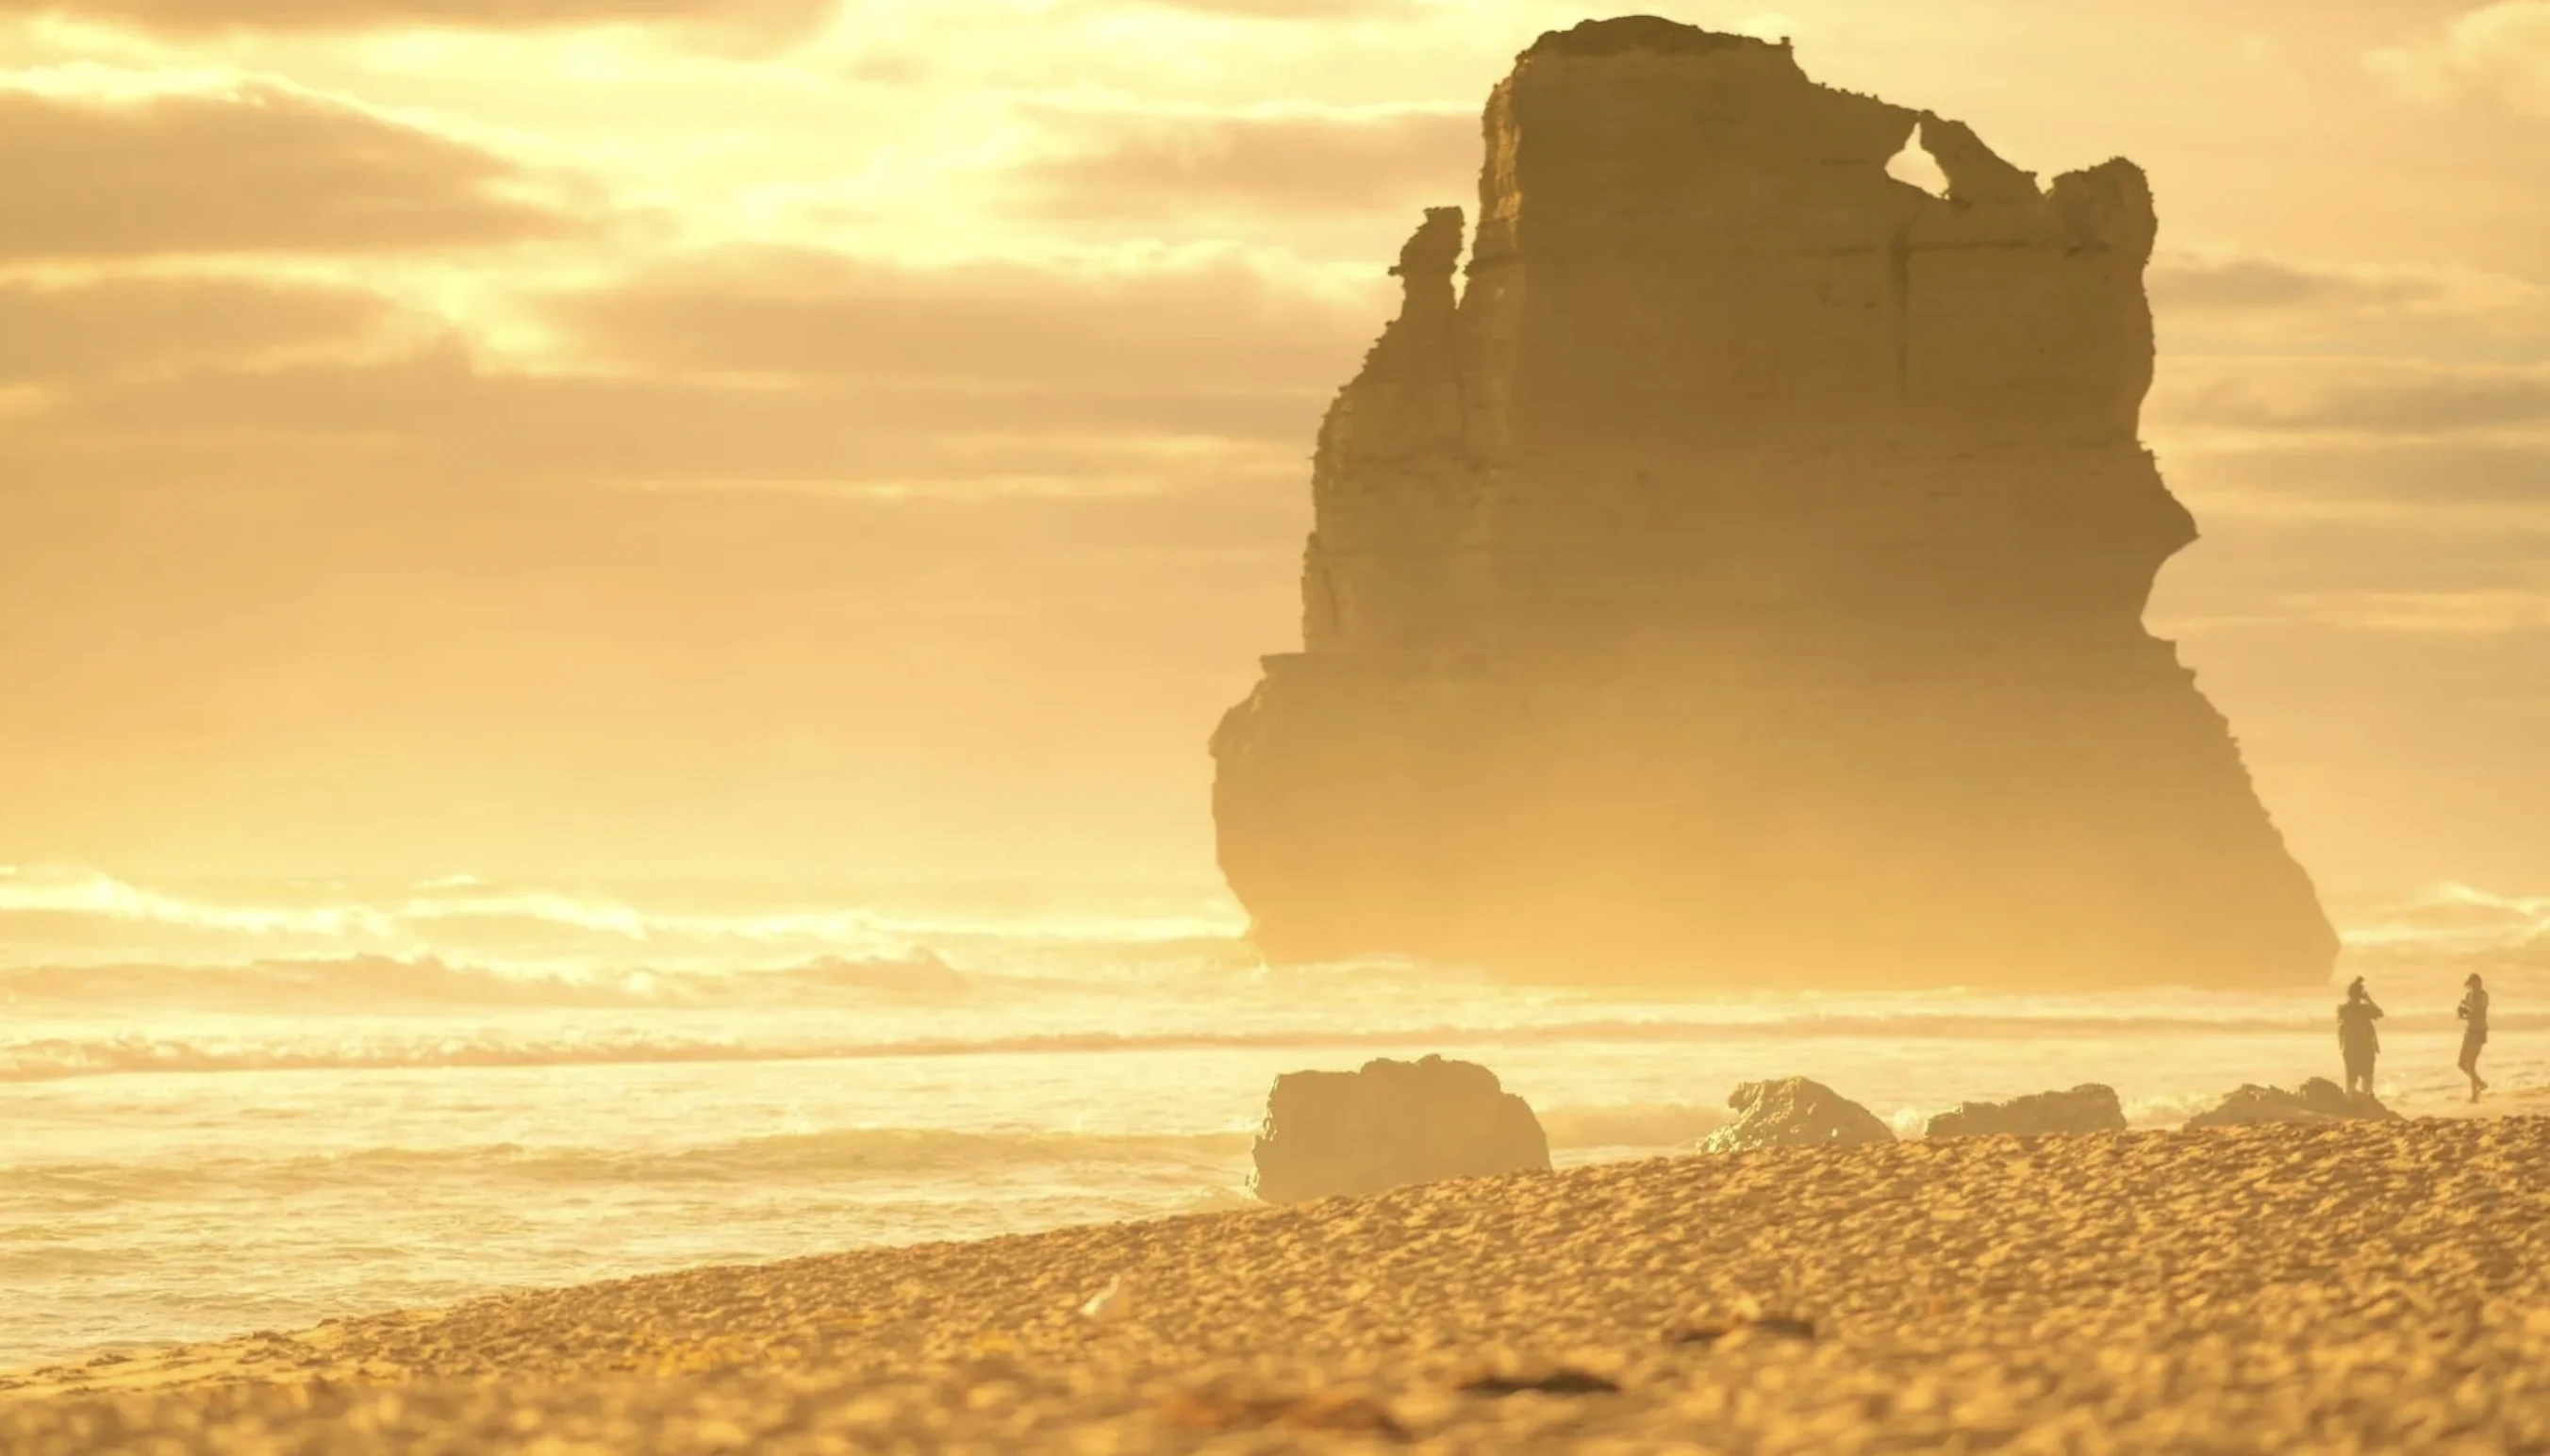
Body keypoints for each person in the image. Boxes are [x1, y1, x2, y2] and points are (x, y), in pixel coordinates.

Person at [2337, 976, 2383, 1099]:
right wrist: (2368, 1000)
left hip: (2350, 1047)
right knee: (2367, 1076)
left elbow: (2341, 1026)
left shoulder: (2343, 1009)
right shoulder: (2365, 1009)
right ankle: (2366, 1099)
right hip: (2365, 1047)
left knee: (2351, 1076)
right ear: (2361, 995)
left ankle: (2350, 1099)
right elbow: (2380, 1013)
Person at [2458, 972, 2491, 1102]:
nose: (2474, 987)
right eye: (2472, 985)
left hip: (2479, 1031)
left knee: (2471, 1063)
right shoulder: (2469, 995)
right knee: (2461, 1063)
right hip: (2470, 1030)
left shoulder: (2483, 996)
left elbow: (2478, 1010)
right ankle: (2480, 1083)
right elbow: (2466, 1015)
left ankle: (2475, 1096)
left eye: (2476, 984)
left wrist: (2466, 1006)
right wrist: (2461, 1012)